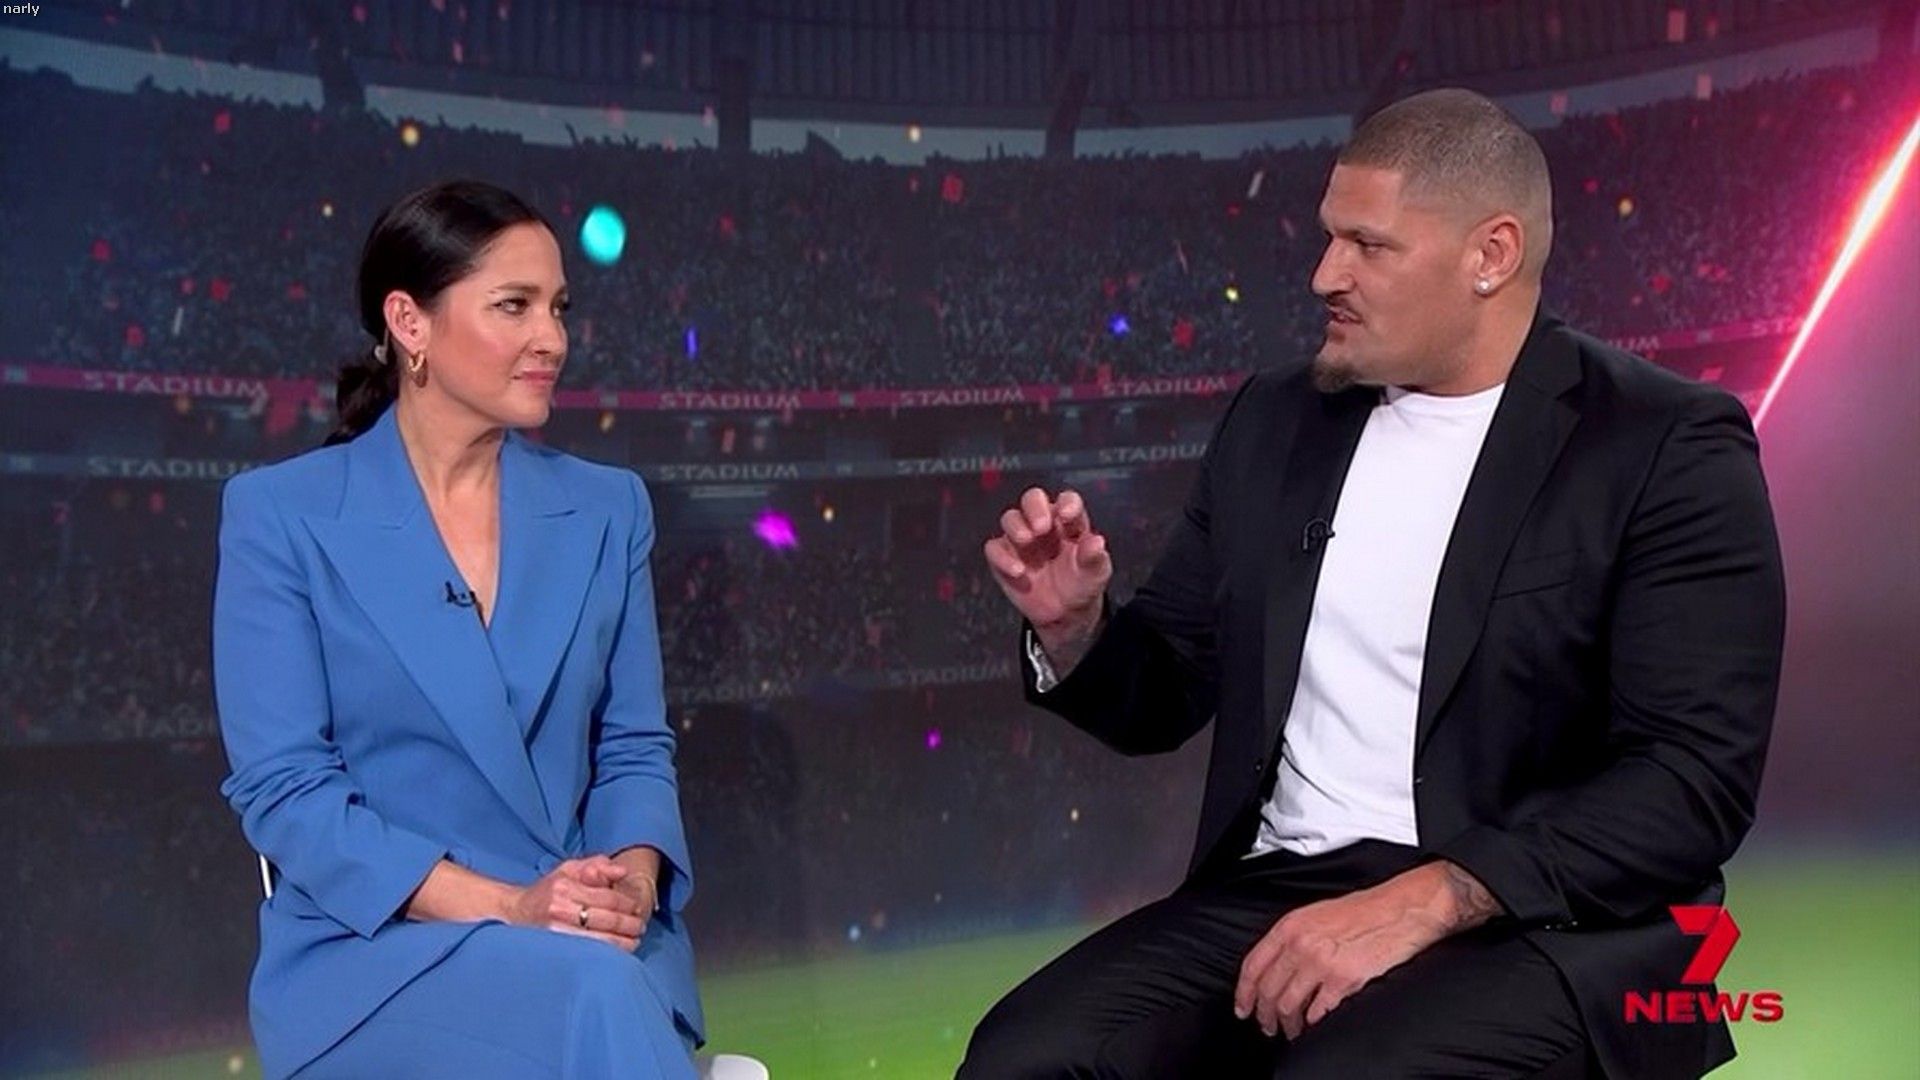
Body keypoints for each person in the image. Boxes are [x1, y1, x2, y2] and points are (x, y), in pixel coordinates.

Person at [966, 89, 1785, 1079]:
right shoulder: (1274, 419)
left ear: (1491, 255)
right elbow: (1167, 691)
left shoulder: (1665, 443)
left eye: (1367, 244)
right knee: (1022, 1060)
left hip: (1545, 921)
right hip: (1280, 892)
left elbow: (1691, 780)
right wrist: (1077, 630)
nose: (1325, 274)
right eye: (1328, 237)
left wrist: (1435, 896)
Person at [213, 180, 702, 1079]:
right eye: (514, 306)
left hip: (586, 943)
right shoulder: (280, 515)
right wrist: (512, 906)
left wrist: (629, 883)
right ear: (410, 323)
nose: (551, 338)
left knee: (600, 988)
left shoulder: (609, 509)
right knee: (595, 997)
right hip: (376, 958)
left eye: (558, 307)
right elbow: (286, 791)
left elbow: (633, 748)